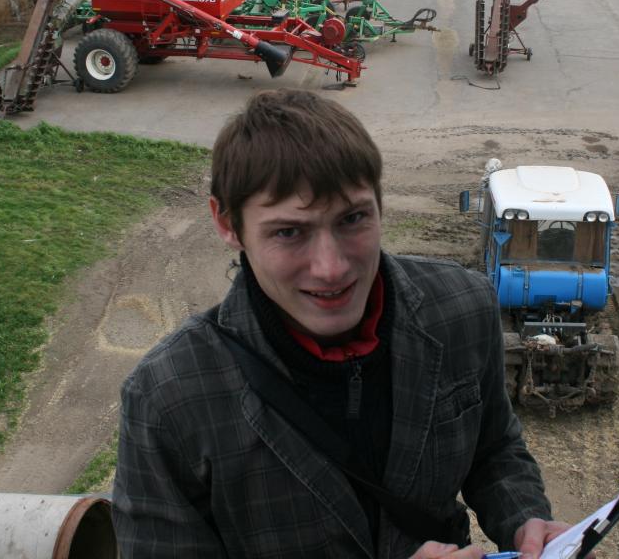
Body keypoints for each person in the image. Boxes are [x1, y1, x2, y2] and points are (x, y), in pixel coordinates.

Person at [114, 89, 577, 558]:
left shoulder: (462, 307)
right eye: (289, 232)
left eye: (353, 219)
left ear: (379, 202)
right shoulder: (167, 398)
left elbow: (493, 449)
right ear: (227, 223)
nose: (332, 269)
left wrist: (525, 520)